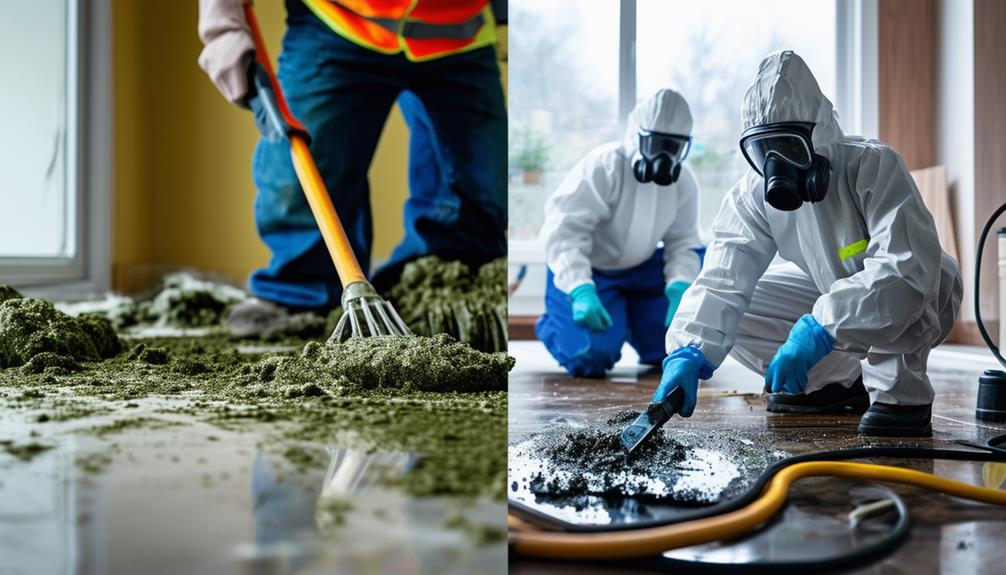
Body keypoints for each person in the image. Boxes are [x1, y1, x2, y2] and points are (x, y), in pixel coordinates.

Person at [655, 51, 961, 437]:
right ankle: (831, 385)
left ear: (820, 136)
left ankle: (900, 395)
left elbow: (906, 269)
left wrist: (819, 328)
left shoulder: (871, 166)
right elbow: (722, 280)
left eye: (790, 148)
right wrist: (688, 351)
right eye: (763, 151)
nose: (776, 166)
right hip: (831, 293)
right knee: (738, 310)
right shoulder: (751, 196)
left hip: (927, 291)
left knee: (910, 280)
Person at [197, 0, 507, 336]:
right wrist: (223, 25)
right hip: (337, 23)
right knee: (298, 183)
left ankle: (437, 283)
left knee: (479, 188)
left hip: (461, 35)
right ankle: (300, 294)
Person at [536, 89, 703, 378]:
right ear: (637, 137)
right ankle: (556, 322)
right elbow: (564, 231)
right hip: (590, 272)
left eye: (673, 147)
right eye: (656, 144)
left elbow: (684, 242)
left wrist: (679, 288)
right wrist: (580, 289)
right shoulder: (605, 166)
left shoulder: (683, 182)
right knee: (590, 357)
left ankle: (629, 317)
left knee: (671, 350)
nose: (664, 156)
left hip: (643, 273)